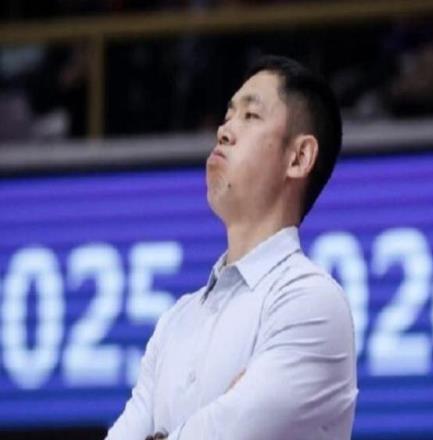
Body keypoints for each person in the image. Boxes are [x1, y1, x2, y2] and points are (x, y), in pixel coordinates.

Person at [106, 54, 358, 440]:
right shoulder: (176, 321)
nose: (224, 130)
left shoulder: (311, 302)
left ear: (299, 157)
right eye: (227, 116)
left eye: (250, 116)